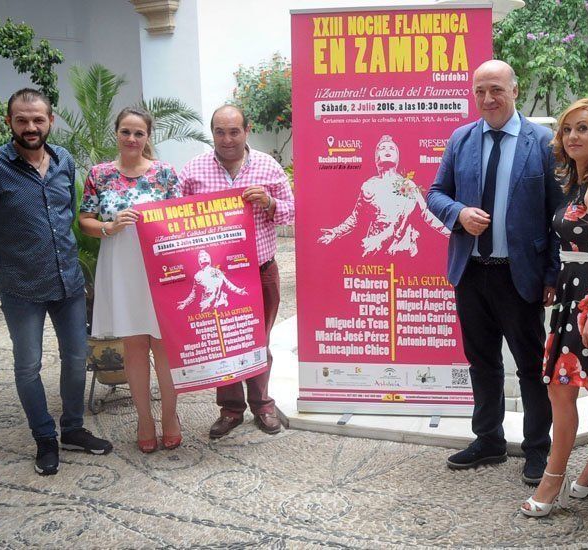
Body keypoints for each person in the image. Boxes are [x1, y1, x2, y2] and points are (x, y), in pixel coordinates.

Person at [427, 60, 561, 485]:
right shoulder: (461, 139)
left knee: (529, 366)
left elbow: (560, 214)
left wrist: (553, 276)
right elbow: (434, 193)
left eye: (496, 89)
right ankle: (489, 439)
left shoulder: (543, 143)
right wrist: (458, 212)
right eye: (480, 90)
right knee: (481, 362)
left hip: (519, 274)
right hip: (471, 271)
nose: (487, 98)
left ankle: (538, 448)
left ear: (515, 90)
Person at [0, 88, 113, 475]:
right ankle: (44, 438)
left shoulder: (64, 161)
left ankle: (72, 429)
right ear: (8, 122)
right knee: (28, 366)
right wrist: (12, 257)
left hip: (69, 284)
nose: (30, 127)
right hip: (22, 288)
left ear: (50, 121)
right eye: (22, 120)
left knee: (76, 359)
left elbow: (69, 213)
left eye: (38, 119)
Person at [520, 99, 588, 517]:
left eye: (583, 129)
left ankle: (552, 478)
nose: (572, 136)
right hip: (575, 290)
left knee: (559, 389)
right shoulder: (579, 183)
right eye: (567, 130)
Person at [178, 105, 294, 439]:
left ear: (246, 130)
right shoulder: (194, 171)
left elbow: (291, 212)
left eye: (234, 132)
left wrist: (269, 203)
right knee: (222, 339)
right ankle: (230, 410)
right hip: (215, 275)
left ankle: (263, 405)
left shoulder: (267, 167)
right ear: (211, 132)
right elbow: (174, 220)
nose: (227, 140)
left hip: (260, 271)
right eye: (220, 132)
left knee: (259, 339)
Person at [78, 107, 182, 454]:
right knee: (134, 348)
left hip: (161, 268)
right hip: (120, 267)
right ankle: (144, 419)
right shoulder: (100, 174)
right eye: (126, 132)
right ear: (117, 134)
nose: (132, 139)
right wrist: (110, 226)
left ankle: (170, 415)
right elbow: (85, 220)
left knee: (164, 347)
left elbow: (185, 220)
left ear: (148, 136)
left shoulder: (166, 174)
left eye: (139, 133)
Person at [318, 134, 450, 256]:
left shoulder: (407, 184)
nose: (387, 150)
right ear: (376, 157)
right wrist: (335, 232)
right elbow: (355, 218)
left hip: (400, 244)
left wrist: (449, 233)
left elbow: (426, 214)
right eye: (382, 148)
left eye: (391, 148)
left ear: (397, 156)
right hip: (375, 245)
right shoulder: (369, 186)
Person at [177, 249, 248, 311]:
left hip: (218, 301)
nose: (204, 258)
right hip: (206, 304)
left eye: (205, 256)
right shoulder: (197, 276)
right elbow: (194, 293)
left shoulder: (216, 271)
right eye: (202, 256)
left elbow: (227, 283)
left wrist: (239, 291)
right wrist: (185, 303)